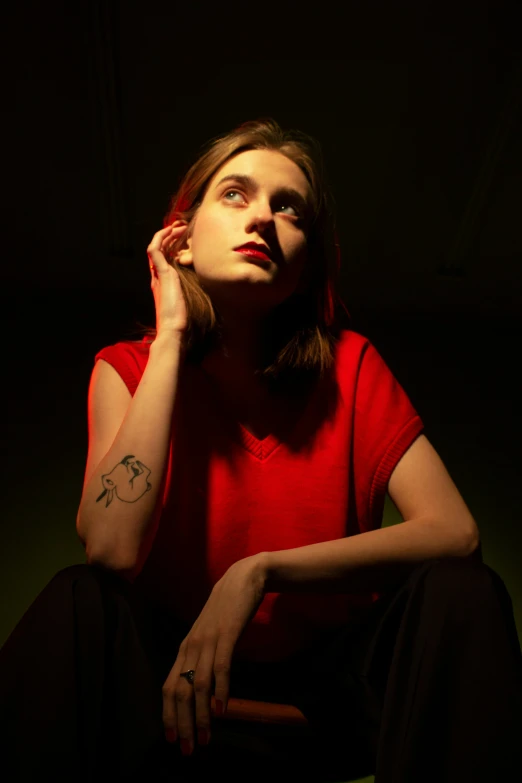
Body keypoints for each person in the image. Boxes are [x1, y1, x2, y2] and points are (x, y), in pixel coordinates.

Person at [1, 117, 521, 783]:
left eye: (289, 207)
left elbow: (456, 531)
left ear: (306, 269)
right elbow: (110, 546)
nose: (264, 219)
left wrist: (259, 570)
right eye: (236, 195)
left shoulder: (353, 367)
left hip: (331, 687)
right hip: (170, 683)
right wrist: (169, 338)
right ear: (180, 242)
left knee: (463, 591)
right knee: (80, 599)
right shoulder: (125, 368)